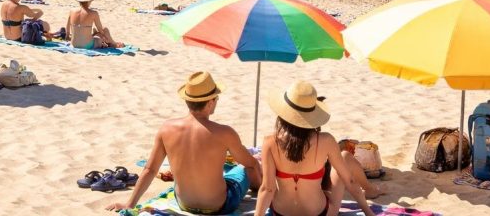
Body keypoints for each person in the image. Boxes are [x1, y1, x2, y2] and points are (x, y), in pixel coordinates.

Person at [106, 71, 262, 214]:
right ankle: (259, 190)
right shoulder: (225, 133)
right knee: (246, 167)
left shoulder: (166, 129)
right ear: (210, 102)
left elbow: (149, 170)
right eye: (216, 99)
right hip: (218, 205)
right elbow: (250, 163)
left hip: (183, 204)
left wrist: (130, 204)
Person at [253, 81, 377, 216]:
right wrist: (368, 212)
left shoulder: (270, 142)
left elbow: (267, 189)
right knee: (345, 157)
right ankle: (370, 190)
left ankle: (370, 190)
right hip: (319, 213)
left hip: (280, 213)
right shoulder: (326, 140)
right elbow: (350, 181)